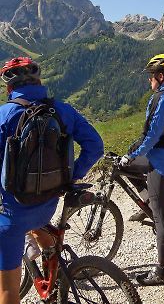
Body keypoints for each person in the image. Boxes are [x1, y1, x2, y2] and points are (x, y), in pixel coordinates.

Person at [0, 57, 104, 304]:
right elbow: (95, 146)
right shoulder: (63, 110)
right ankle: (52, 270)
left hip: (12, 214)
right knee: (37, 224)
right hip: (48, 204)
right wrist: (72, 176)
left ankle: (45, 267)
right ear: (39, 81)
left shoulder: (3, 115)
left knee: (6, 291)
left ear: (8, 88)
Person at [120, 53, 164, 286]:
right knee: (129, 170)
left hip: (162, 163)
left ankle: (162, 271)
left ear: (160, 76)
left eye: (151, 77)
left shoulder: (163, 98)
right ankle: (148, 199)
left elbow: (151, 135)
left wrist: (132, 154)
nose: (149, 81)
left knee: (162, 217)